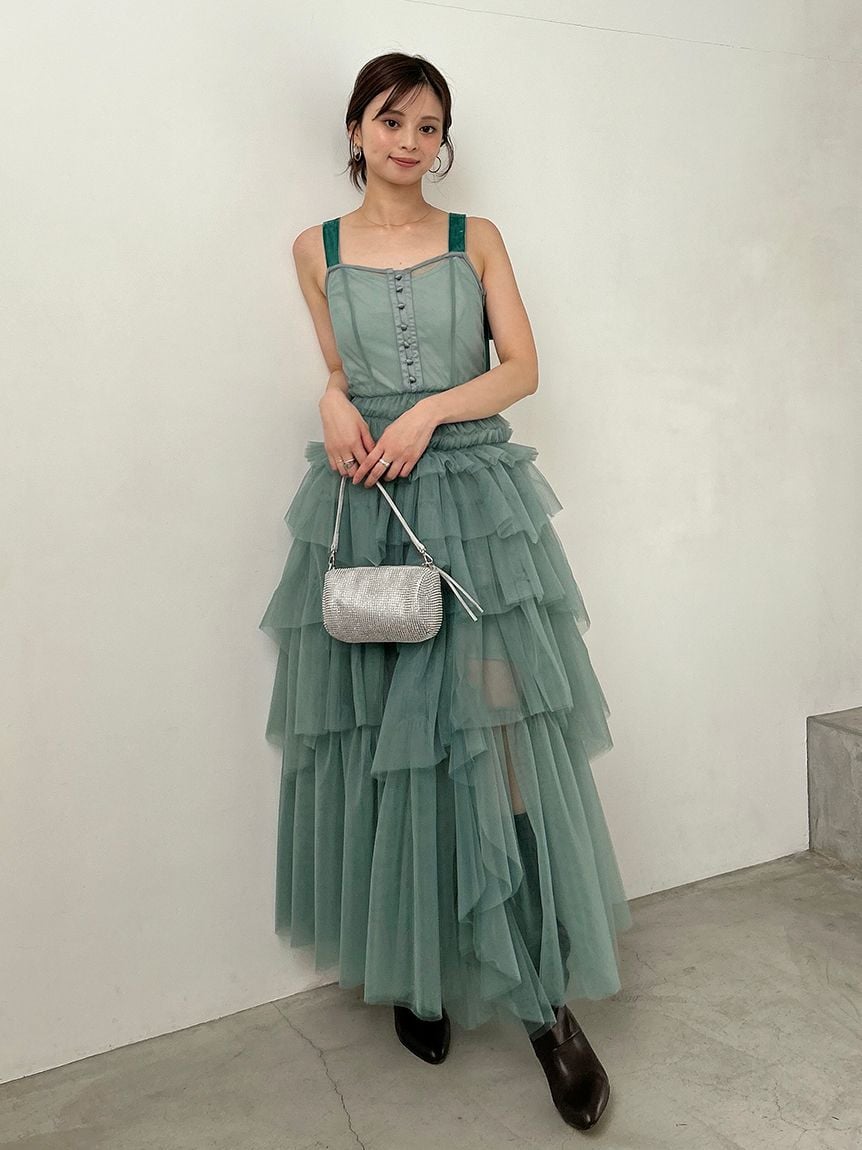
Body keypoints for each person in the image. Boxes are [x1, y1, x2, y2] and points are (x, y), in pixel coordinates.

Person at [259, 50, 633, 1132]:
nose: (411, 142)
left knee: (499, 744)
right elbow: (340, 369)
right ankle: (415, 969)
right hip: (367, 503)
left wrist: (428, 411)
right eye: (392, 121)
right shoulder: (315, 249)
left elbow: (520, 367)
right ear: (356, 129)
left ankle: (545, 1007)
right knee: (391, 741)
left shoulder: (478, 238)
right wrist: (332, 402)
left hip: (474, 508)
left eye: (429, 126)